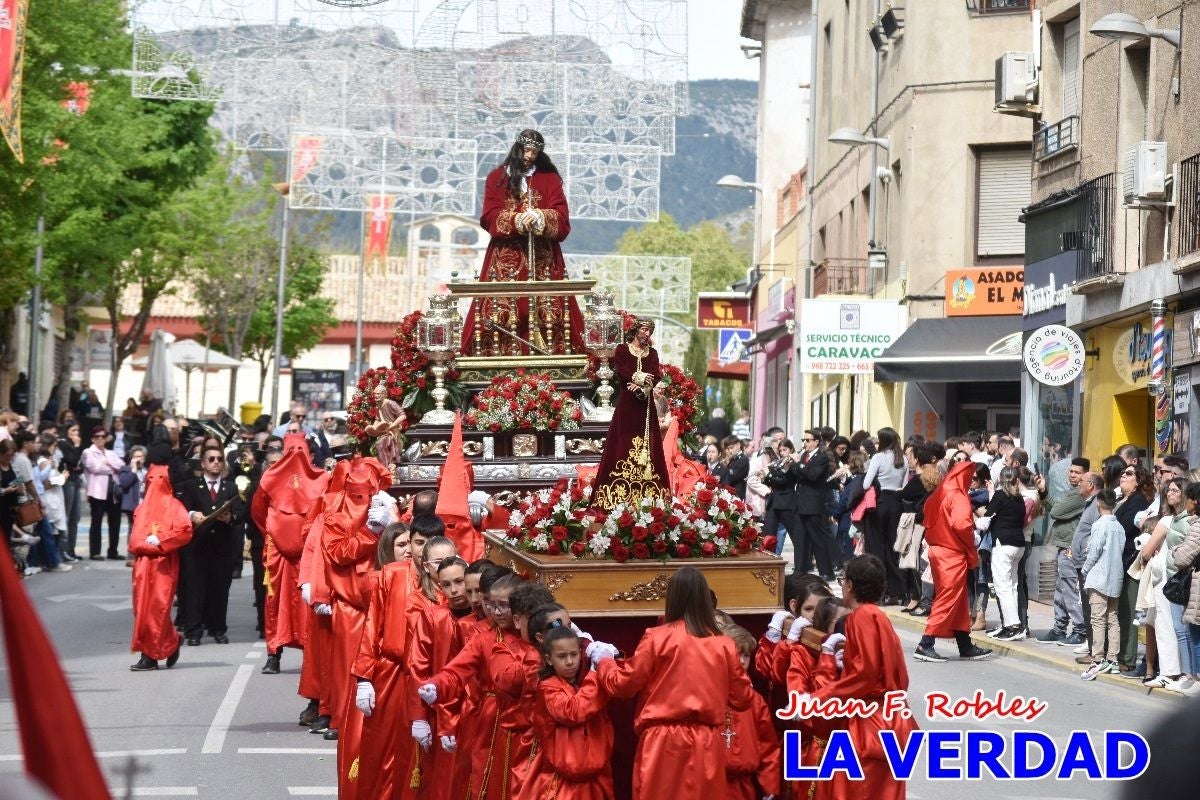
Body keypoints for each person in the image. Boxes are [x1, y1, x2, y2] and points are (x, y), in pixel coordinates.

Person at [591, 567, 755, 800]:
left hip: (662, 742)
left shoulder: (656, 637)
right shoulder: (723, 644)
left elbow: (623, 685)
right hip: (705, 742)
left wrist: (605, 661)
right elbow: (743, 698)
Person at [786, 554, 918, 800]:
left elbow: (864, 674)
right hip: (892, 719)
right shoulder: (880, 617)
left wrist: (818, 698)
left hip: (870, 722)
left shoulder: (861, 617)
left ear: (850, 585)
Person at [463, 128, 581, 356]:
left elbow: (563, 220)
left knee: (550, 312)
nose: (528, 156)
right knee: (499, 312)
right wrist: (516, 219)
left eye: (534, 152)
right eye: (526, 150)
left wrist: (540, 217)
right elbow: (488, 217)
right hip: (505, 258)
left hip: (543, 259)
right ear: (517, 149)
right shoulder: (497, 178)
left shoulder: (550, 179)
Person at [913, 460, 993, 663]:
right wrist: (972, 537)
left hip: (938, 549)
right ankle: (925, 643)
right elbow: (961, 524)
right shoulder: (957, 495)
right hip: (951, 552)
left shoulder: (940, 491)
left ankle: (964, 644)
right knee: (948, 597)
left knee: (957, 599)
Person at [591, 319, 671, 511]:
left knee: (648, 445)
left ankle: (649, 497)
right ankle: (617, 497)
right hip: (627, 407)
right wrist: (639, 377)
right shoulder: (622, 349)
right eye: (644, 330)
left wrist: (643, 384)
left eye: (650, 331)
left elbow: (656, 374)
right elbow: (621, 369)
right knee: (622, 443)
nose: (647, 334)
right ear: (636, 330)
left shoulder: (652, 353)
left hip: (645, 408)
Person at [529, 625, 616, 800]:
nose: (569, 661)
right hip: (564, 781)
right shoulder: (547, 688)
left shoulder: (582, 680)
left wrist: (607, 660)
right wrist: (594, 672)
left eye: (574, 654)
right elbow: (572, 711)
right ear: (549, 659)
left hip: (597, 775)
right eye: (562, 656)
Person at [128, 465, 193, 671]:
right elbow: (134, 540)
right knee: (141, 608)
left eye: (161, 478)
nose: (156, 482)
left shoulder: (175, 506)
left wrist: (162, 539)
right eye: (152, 478)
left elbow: (184, 531)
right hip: (142, 566)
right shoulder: (140, 509)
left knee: (158, 608)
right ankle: (171, 641)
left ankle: (150, 655)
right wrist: (147, 545)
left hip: (164, 564)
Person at [180, 447, 246, 646]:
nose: (216, 462)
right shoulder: (192, 486)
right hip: (198, 547)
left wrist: (230, 518)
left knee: (219, 591)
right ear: (203, 463)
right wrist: (192, 515)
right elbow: (182, 508)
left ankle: (218, 629)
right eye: (211, 459)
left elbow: (240, 513)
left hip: (222, 547)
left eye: (219, 459)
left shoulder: (230, 487)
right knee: (195, 591)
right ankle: (194, 631)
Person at [1036, 457, 1091, 645]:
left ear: (1085, 475)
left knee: (1069, 589)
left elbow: (1056, 511)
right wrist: (1044, 492)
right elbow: (1056, 508)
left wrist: (1048, 497)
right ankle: (1059, 628)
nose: (1073, 475)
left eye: (1077, 473)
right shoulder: (1072, 491)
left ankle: (1080, 629)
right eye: (1071, 471)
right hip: (1063, 544)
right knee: (1060, 589)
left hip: (1070, 546)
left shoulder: (1079, 494)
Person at [1080, 491, 1126, 679]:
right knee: (1112, 618)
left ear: (1099, 503)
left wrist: (1085, 569)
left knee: (1097, 619)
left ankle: (1097, 660)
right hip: (1115, 577)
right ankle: (1113, 659)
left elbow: (1095, 550)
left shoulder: (1099, 525)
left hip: (1098, 576)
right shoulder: (1120, 527)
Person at [861, 427, 908, 604]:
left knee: (876, 548)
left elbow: (866, 484)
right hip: (896, 503)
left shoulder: (878, 457)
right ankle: (897, 590)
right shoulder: (902, 458)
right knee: (893, 547)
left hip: (879, 504)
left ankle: (879, 590)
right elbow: (903, 485)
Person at [981, 467, 1029, 641]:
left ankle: (1012, 626)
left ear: (1001, 479)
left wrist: (975, 518)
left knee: (1002, 587)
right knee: (1013, 585)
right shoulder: (1018, 498)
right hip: (1018, 544)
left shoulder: (1001, 495)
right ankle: (1013, 625)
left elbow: (986, 518)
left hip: (1003, 545)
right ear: (1016, 480)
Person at [82, 426, 124, 560]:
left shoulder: (110, 453)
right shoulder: (88, 452)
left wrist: (108, 464)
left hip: (113, 492)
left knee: (115, 522)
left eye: (103, 436)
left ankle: (113, 551)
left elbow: (121, 465)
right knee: (96, 522)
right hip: (97, 492)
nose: (100, 438)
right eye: (97, 436)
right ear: (92, 438)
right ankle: (95, 552)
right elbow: (95, 468)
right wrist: (111, 467)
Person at [713, 435, 749, 499]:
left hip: (737, 493)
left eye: (731, 447)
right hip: (731, 492)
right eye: (728, 448)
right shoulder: (734, 459)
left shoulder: (743, 459)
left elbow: (733, 476)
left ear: (738, 445)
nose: (730, 451)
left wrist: (723, 467)